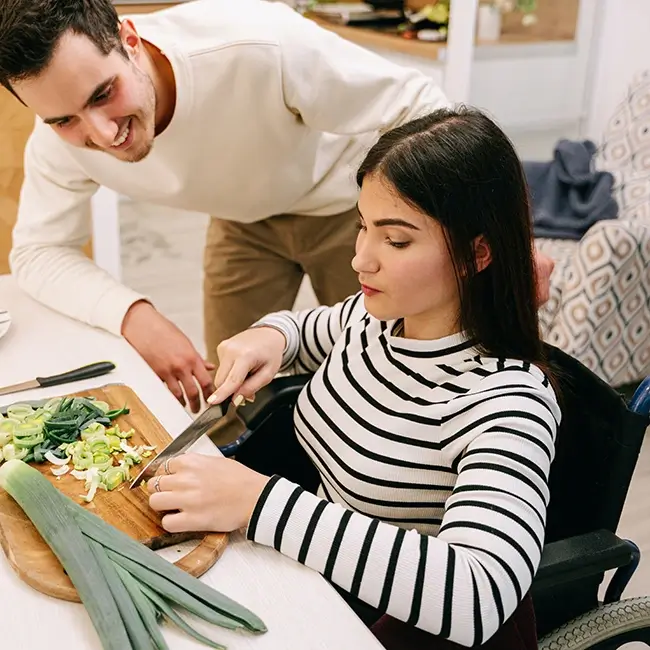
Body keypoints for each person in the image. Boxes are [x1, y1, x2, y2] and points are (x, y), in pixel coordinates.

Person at [145, 107, 562, 650]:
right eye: (363, 226)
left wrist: (260, 503)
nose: (361, 259)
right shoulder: (375, 320)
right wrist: (267, 338)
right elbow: (300, 332)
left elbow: (477, 595)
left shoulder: (510, 402)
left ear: (475, 253)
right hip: (317, 586)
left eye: (396, 241)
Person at [0, 0, 454, 413]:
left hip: (351, 208)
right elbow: (37, 251)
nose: (100, 134)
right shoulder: (57, 143)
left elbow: (427, 112)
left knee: (390, 379)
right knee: (230, 396)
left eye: (102, 95)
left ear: (130, 41)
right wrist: (134, 317)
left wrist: (405, 223)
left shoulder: (257, 44)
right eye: (63, 120)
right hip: (243, 218)